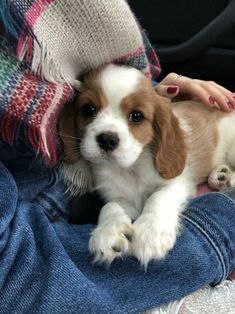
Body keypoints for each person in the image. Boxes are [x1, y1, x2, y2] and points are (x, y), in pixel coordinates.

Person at [0, 1, 235, 313]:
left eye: (134, 116)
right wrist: (112, 216)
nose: (108, 131)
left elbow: (174, 183)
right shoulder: (100, 165)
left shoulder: (153, 138)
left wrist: (155, 92)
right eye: (90, 110)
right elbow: (120, 200)